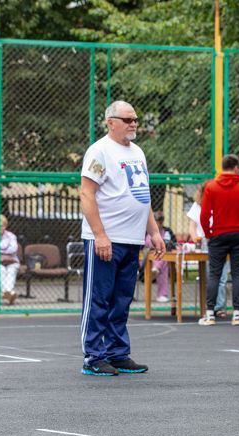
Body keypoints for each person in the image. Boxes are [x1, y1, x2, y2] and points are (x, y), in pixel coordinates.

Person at [79, 100, 165, 376]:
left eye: (135, 119)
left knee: (122, 299)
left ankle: (117, 353)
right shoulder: (100, 151)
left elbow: (142, 196)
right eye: (127, 120)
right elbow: (86, 194)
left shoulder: (137, 152)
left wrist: (154, 232)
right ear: (111, 122)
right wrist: (100, 235)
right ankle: (93, 356)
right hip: (106, 238)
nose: (133, 124)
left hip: (132, 239)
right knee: (99, 298)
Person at [199, 154, 239, 326]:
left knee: (215, 274)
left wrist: (209, 234)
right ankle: (237, 313)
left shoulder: (211, 187)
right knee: (238, 273)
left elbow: (204, 215)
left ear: (222, 167)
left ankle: (210, 313)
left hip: (218, 234)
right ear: (237, 168)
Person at [187, 184, 230, 319]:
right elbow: (192, 227)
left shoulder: (219, 203)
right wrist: (196, 240)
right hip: (204, 245)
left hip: (219, 243)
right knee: (210, 277)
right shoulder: (197, 206)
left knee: (222, 277)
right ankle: (210, 306)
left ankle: (219, 307)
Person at [144, 211, 174, 303]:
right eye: (157, 220)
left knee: (163, 259)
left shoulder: (167, 231)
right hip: (145, 259)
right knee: (163, 259)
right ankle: (162, 294)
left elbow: (173, 243)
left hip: (160, 256)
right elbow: (145, 245)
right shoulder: (147, 230)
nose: (160, 222)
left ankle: (156, 269)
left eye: (161, 220)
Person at [0, 214, 20, 305]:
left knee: (12, 269)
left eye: (1, 226)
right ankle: (9, 293)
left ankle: (7, 292)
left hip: (11, 261)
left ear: (5, 226)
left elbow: (13, 249)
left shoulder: (11, 236)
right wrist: (4, 251)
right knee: (1, 269)